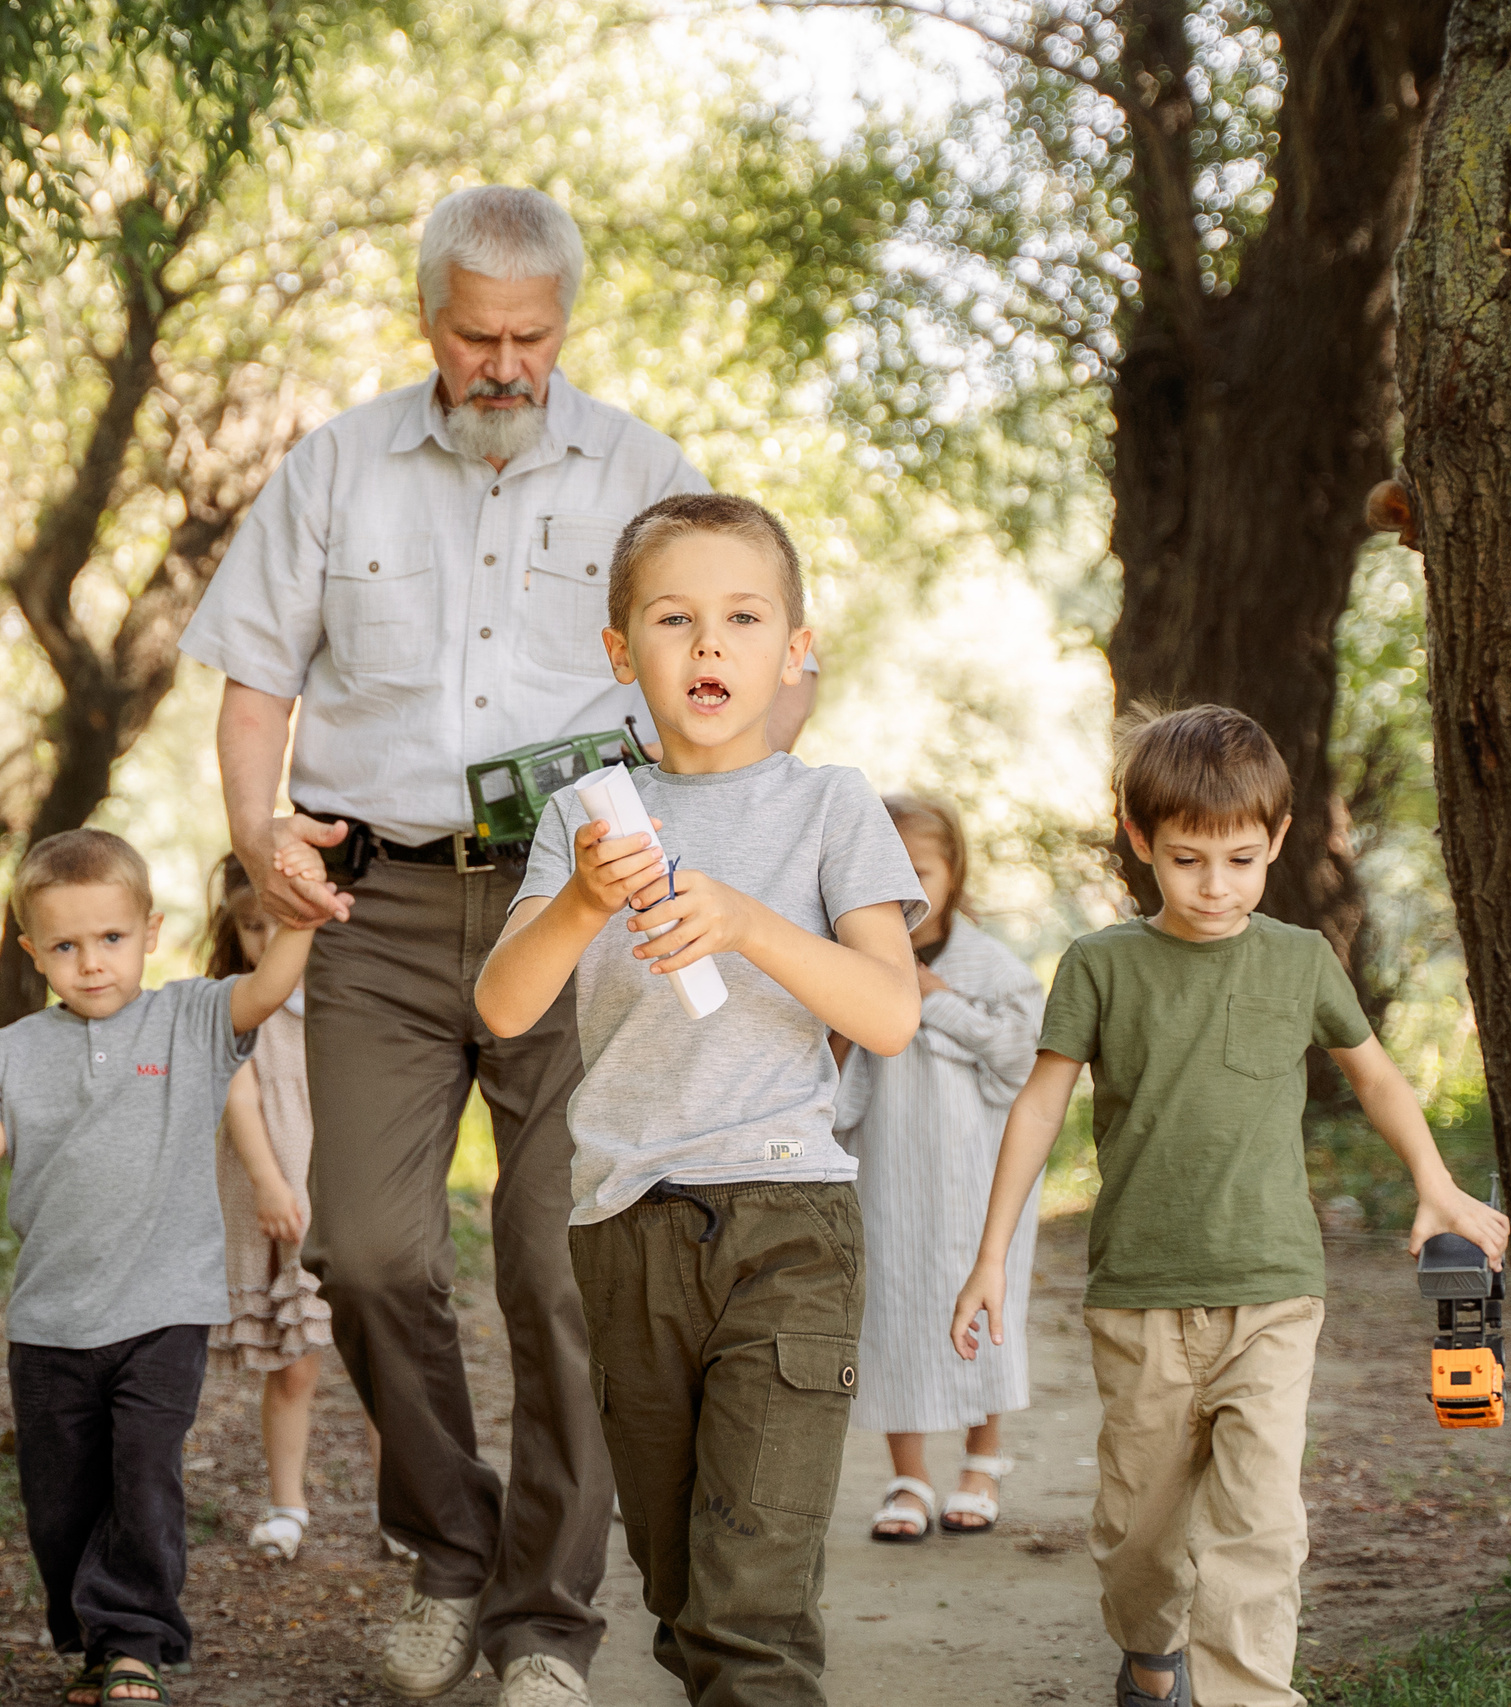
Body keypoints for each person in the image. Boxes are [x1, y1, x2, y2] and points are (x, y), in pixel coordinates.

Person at [181, 185, 802, 1706]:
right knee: (368, 1245)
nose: (505, 363)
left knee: (562, 1264)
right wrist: (262, 831)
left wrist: (713, 846)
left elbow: (753, 666)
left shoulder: (649, 473)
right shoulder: (335, 468)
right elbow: (254, 681)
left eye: (532, 336)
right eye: (477, 335)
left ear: (564, 327)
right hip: (372, 908)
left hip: (572, 902)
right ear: (427, 320)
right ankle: (446, 1545)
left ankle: (542, 1619)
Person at [949, 705, 1511, 1707]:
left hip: (1272, 1292)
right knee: (1137, 1536)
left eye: (1241, 859)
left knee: (1258, 1527)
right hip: (1141, 1296)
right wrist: (992, 1254)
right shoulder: (1101, 966)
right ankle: (1147, 1651)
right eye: (1188, 859)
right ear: (1139, 845)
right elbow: (1038, 1110)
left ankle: (1250, 1693)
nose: (1217, 886)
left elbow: (1376, 1078)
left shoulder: (1298, 960)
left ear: (1278, 842)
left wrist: (1434, 1181)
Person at [476, 492, 926, 1706]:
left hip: (787, 1224)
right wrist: (579, 901)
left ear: (795, 649)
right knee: (680, 1592)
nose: (710, 644)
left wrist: (743, 921)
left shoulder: (832, 804)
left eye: (742, 617)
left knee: (751, 1603)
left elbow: (888, 1013)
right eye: (675, 620)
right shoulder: (582, 818)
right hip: (624, 1229)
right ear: (622, 653)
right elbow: (506, 1005)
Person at [0, 828, 311, 1707]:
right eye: (66, 945)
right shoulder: (16, 1047)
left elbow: (271, 986)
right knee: (59, 1500)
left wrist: (301, 915)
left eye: (112, 939)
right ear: (33, 953)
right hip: (50, 1319)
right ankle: (92, 1638)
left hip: (164, 1309)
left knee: (142, 1472)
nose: (92, 963)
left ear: (151, 930)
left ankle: (136, 1641)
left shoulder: (191, 1017)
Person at [833, 793, 1044, 1543]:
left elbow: (1024, 1056)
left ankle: (982, 1461)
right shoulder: (856, 955)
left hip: (981, 1169)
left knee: (985, 1305)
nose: (906, 895)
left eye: (920, 872)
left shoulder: (991, 966)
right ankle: (909, 1475)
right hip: (889, 1164)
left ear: (954, 873)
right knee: (891, 1306)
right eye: (887, 877)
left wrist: (936, 999)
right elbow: (830, 1061)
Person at [200, 855, 417, 1568]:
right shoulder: (239, 1002)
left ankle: (401, 1510)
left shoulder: (348, 996)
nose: (266, 940)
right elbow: (241, 1096)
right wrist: (267, 1181)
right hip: (283, 1192)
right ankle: (288, 1502)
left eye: (282, 923)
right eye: (253, 925)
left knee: (377, 1358)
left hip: (349, 1189)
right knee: (293, 1363)